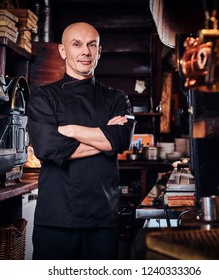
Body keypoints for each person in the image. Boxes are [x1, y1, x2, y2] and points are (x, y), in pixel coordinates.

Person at [27, 22, 135, 260]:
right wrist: (104, 138)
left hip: (103, 219)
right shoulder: (43, 97)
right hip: (56, 219)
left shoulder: (115, 98)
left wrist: (72, 130)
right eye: (77, 44)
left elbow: (120, 140)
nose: (85, 51)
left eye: (91, 45)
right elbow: (46, 147)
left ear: (99, 51)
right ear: (63, 51)